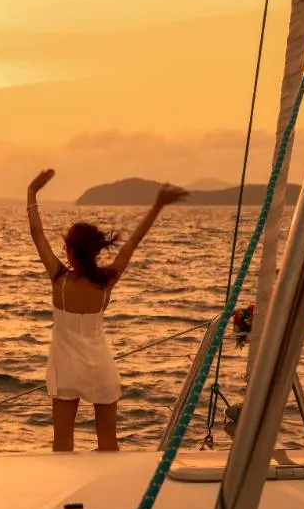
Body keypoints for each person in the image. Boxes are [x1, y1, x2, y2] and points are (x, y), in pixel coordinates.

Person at [26, 169, 188, 452]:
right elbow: (132, 243)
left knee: (62, 445)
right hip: (98, 366)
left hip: (65, 368)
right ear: (95, 252)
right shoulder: (106, 281)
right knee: (109, 445)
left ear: (70, 251)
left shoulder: (59, 280)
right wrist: (158, 205)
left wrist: (32, 192)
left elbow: (36, 233)